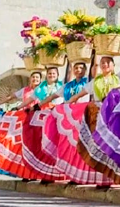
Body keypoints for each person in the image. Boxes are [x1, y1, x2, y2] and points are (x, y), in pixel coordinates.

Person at [44, 57, 115, 185]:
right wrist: (65, 104)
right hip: (81, 117)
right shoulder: (89, 83)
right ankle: (79, 176)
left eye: (81, 68)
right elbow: (76, 96)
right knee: (80, 147)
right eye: (75, 68)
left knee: (102, 146)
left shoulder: (110, 80)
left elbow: (96, 66)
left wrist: (95, 51)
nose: (78, 70)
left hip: (106, 116)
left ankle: (106, 179)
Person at [0, 71, 46, 179]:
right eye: (33, 77)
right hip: (25, 119)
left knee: (38, 146)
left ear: (40, 80)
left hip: (39, 120)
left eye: (37, 78)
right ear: (30, 79)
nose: (35, 79)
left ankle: (38, 173)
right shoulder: (25, 91)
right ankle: (26, 173)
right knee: (24, 145)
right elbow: (11, 97)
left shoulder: (44, 90)